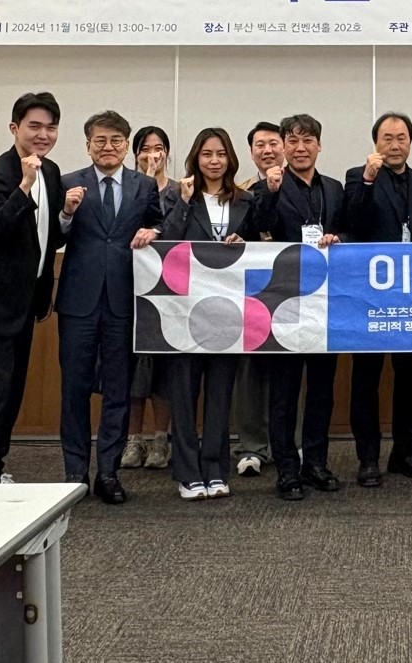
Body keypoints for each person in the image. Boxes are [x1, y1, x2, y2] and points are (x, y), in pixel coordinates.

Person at [162, 127, 279, 500]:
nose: (214, 161)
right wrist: (183, 203)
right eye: (207, 154)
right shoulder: (178, 195)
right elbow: (166, 241)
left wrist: (245, 244)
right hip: (185, 310)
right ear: (195, 158)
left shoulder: (246, 200)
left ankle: (215, 469)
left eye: (221, 154)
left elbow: (264, 245)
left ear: (230, 159)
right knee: (184, 393)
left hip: (229, 311)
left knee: (219, 393)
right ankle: (187, 473)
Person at [0, 92, 67, 484]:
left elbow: (45, 238)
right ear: (14, 128)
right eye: (34, 126)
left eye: (50, 127)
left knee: (10, 395)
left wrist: (67, 215)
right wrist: (24, 186)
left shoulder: (51, 172)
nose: (43, 134)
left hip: (23, 305)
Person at [57, 110, 163, 504]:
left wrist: (154, 231)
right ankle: (74, 473)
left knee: (118, 389)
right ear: (88, 145)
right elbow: (52, 236)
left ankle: (108, 472)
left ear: (126, 145)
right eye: (100, 140)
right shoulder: (67, 182)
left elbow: (160, 223)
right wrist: (66, 213)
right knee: (74, 389)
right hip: (78, 301)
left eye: (116, 140)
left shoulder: (144, 185)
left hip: (124, 300)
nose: (108, 147)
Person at [343, 111, 412, 487]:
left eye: (401, 138)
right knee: (366, 378)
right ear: (375, 143)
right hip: (369, 297)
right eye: (387, 138)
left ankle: (405, 454)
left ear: (410, 142)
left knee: (410, 378)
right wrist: (368, 179)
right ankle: (368, 458)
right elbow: (352, 223)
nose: (395, 145)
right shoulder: (357, 176)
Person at [267, 114, 346, 501]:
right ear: (283, 146)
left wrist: (339, 237)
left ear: (319, 145)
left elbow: (350, 228)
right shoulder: (271, 186)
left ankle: (315, 462)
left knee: (321, 391)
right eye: (293, 141)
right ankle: (286, 469)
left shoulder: (334, 188)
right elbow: (258, 227)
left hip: (325, 304)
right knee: (283, 393)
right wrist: (269, 192)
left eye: (308, 140)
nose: (300, 148)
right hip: (284, 304)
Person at [229, 121, 287, 477]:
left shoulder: (301, 187)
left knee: (291, 370)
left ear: (285, 147)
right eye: (259, 145)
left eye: (273, 143)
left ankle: (290, 442)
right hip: (250, 292)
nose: (267, 150)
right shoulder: (240, 194)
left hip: (294, 291)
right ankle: (251, 446)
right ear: (251, 153)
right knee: (250, 370)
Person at [121, 125, 180, 471]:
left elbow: (176, 231)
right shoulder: (128, 187)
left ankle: (160, 439)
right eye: (145, 148)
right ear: (135, 153)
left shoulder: (180, 190)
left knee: (163, 369)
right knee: (134, 368)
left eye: (159, 148)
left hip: (169, 291)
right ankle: (133, 439)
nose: (152, 154)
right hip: (130, 288)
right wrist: (144, 180)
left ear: (167, 153)